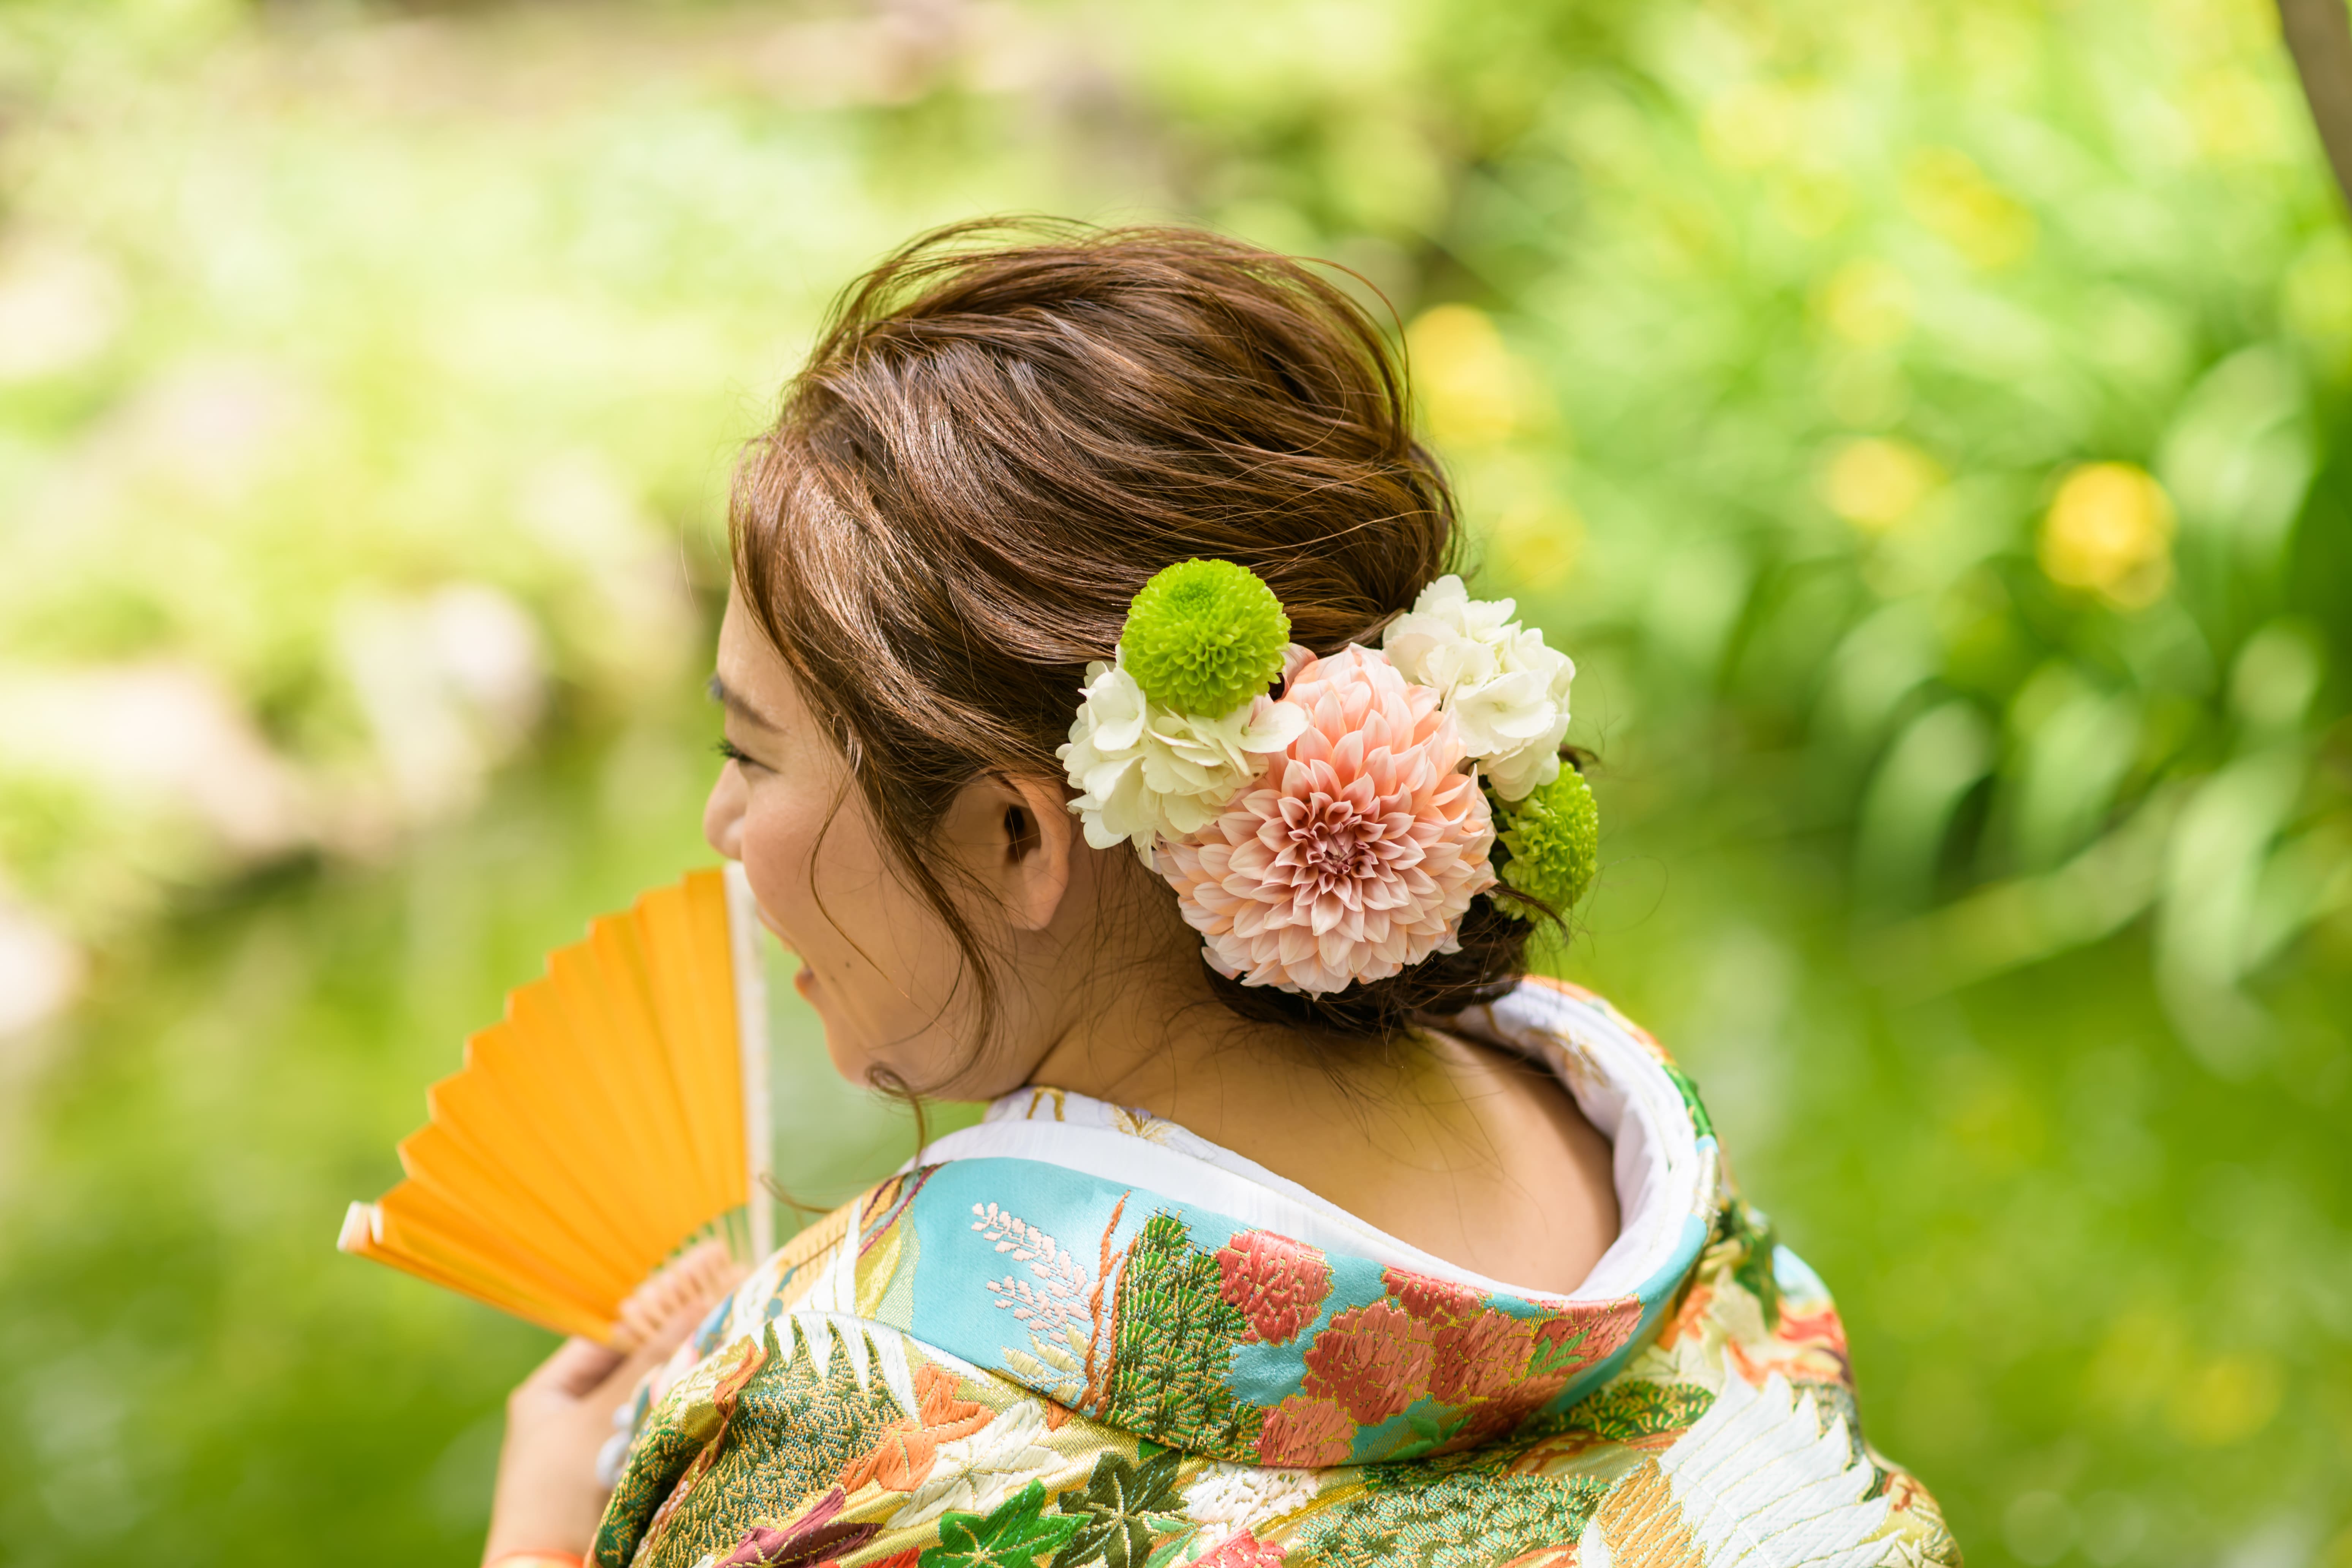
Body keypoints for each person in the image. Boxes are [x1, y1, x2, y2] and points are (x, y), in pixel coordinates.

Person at [477, 221, 1962, 1568]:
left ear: (1016, 836)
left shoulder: (851, 1408)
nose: (721, 823)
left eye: (751, 752)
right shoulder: (1623, 1137)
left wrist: (545, 1537)